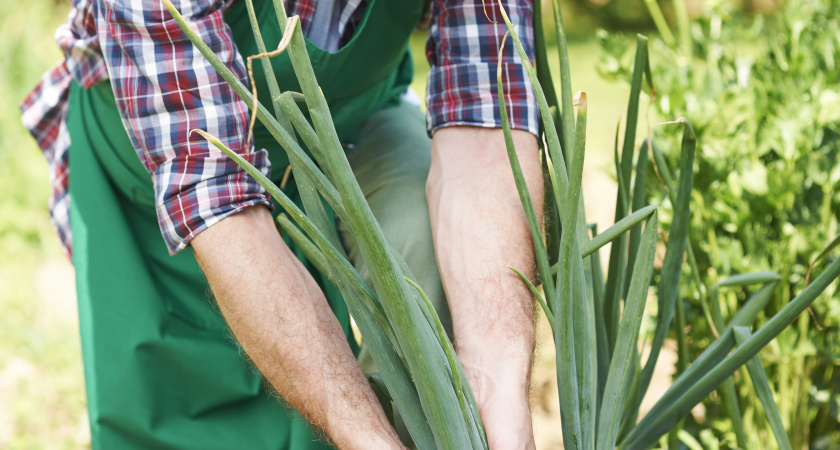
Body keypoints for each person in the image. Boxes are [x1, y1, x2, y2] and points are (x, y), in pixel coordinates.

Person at [21, 0, 543, 448]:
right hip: (174, 168)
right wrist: (369, 440)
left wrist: (500, 381)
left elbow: (487, 127)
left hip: (348, 121)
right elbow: (220, 204)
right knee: (193, 416)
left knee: (431, 274)